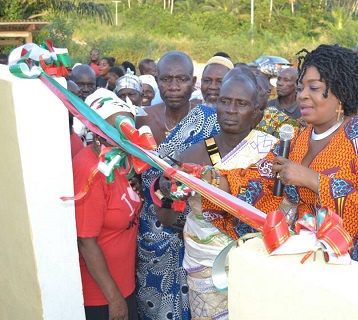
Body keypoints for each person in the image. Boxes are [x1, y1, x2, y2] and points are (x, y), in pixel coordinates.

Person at [202, 44, 358, 271]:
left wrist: (312, 179)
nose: (302, 96)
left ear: (342, 92)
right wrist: (209, 180)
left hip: (349, 275)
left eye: (314, 88)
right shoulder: (295, 138)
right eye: (300, 88)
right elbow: (260, 182)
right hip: (300, 270)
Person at [178, 75, 276, 320]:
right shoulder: (194, 154)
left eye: (241, 104)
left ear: (256, 112)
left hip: (257, 266)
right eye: (225, 101)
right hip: (205, 269)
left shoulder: (271, 153)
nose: (231, 110)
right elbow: (169, 214)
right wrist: (167, 192)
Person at [136, 51, 219, 320]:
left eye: (181, 79)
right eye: (167, 79)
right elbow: (129, 168)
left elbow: (218, 166)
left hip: (193, 226)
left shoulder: (209, 119)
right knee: (151, 303)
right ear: (156, 80)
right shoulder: (140, 118)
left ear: (193, 82)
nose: (173, 87)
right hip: (151, 231)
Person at [74, 88, 142, 320]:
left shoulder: (120, 159)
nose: (127, 138)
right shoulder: (89, 170)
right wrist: (114, 298)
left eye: (129, 130)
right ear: (96, 131)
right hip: (103, 296)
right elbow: (86, 242)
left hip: (125, 284)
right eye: (117, 131)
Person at [253, 74, 300, 138]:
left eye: (286, 80)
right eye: (279, 79)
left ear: (297, 85)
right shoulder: (268, 105)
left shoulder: (302, 110)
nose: (279, 83)